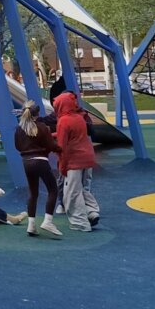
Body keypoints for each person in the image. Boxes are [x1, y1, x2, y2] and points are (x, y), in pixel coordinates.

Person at [14, 99, 62, 238]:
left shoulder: (19, 129)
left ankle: (31, 225)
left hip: (26, 162)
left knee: (33, 193)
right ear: (38, 113)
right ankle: (48, 220)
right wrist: (60, 148)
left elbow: (17, 146)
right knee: (52, 189)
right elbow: (51, 145)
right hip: (40, 160)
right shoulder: (42, 127)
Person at [54, 91, 101, 232]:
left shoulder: (63, 121)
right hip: (88, 157)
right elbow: (73, 134)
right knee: (82, 188)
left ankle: (80, 222)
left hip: (74, 161)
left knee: (72, 193)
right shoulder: (78, 117)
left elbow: (61, 146)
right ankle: (92, 211)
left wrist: (62, 165)